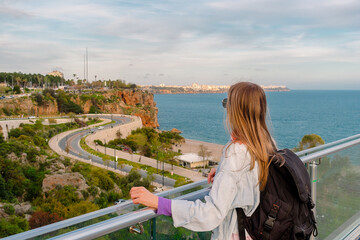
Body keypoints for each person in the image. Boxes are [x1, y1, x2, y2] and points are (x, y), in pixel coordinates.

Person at [130, 82, 280, 240]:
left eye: (226, 103)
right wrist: (223, 172)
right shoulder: (266, 142)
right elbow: (253, 186)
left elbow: (211, 214)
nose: (226, 108)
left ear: (235, 111)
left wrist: (159, 203)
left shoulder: (237, 152)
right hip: (259, 231)